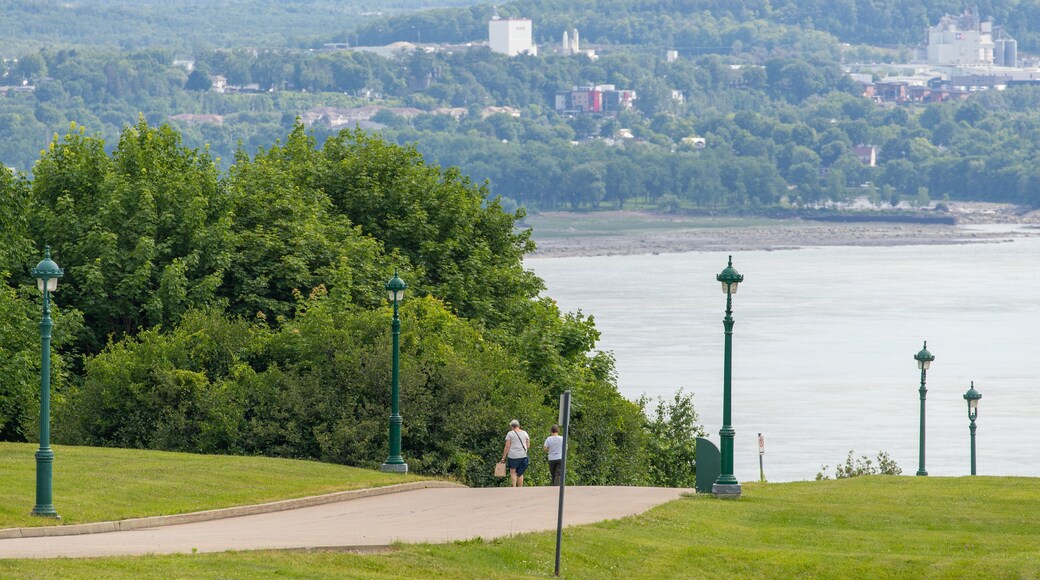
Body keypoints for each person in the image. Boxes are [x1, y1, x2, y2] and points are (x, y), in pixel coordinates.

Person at [501, 419, 530, 487]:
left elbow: (507, 446)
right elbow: (528, 445)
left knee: (513, 472)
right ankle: (520, 488)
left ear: (512, 426)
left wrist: (504, 457)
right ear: (518, 425)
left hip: (513, 456)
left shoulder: (510, 433)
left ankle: (514, 488)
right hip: (523, 455)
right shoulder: (525, 433)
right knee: (520, 473)